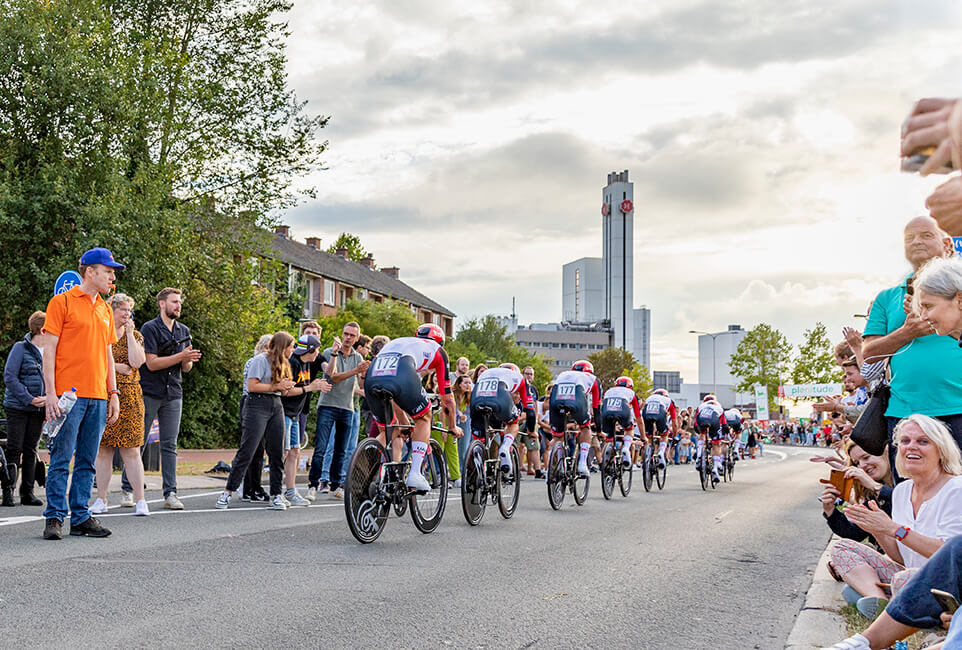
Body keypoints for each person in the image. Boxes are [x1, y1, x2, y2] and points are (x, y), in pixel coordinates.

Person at [827, 415, 962, 620]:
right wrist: (877, 529)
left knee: (903, 579)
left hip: (948, 582)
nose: (911, 447)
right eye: (905, 442)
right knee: (841, 548)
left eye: (923, 441)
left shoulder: (956, 489)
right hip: (910, 575)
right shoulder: (902, 491)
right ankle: (878, 600)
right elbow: (901, 558)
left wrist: (893, 529)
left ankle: (884, 601)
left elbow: (949, 555)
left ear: (941, 450)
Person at [861, 216, 962, 481]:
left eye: (926, 235)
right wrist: (908, 331)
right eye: (909, 238)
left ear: (947, 243)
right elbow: (868, 353)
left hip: (958, 408)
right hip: (906, 414)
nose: (917, 241)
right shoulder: (886, 298)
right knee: (910, 493)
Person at [40, 247, 124, 539]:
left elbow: (108, 353)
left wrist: (113, 392)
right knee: (61, 457)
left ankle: (80, 516)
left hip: (99, 396)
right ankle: (53, 517)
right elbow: (48, 350)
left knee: (88, 459)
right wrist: (51, 393)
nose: (112, 277)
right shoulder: (61, 302)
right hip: (69, 396)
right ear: (90, 271)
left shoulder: (104, 308)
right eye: (108, 271)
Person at [121, 287, 201, 510]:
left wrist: (188, 359)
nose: (178, 306)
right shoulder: (150, 328)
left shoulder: (183, 330)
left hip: (173, 392)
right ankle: (128, 489)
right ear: (162, 304)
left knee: (170, 444)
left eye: (179, 302)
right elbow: (152, 362)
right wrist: (181, 356)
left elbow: (186, 367)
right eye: (174, 302)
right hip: (149, 391)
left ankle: (170, 492)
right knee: (139, 440)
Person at [363, 323, 462, 492]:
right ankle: (415, 473)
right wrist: (452, 426)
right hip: (401, 373)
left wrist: (402, 421)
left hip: (373, 376)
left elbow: (394, 395)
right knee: (424, 416)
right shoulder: (437, 351)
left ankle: (360, 469)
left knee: (390, 431)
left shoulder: (402, 343)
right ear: (440, 342)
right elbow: (447, 399)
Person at [216, 331, 296, 510]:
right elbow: (252, 386)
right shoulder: (260, 360)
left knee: (277, 452)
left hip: (276, 404)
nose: (293, 350)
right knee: (248, 450)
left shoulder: (284, 364)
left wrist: (286, 387)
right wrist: (276, 386)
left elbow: (283, 391)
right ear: (283, 347)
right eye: (291, 347)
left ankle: (276, 494)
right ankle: (228, 492)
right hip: (256, 404)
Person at [89, 294, 149, 516]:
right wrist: (114, 367)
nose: (126, 314)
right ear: (112, 310)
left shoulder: (137, 335)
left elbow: (137, 362)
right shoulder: (101, 333)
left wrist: (131, 334)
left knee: (131, 450)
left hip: (131, 396)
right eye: (123, 309)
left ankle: (141, 500)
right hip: (104, 393)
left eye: (129, 310)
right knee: (103, 450)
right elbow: (93, 360)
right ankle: (101, 499)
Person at [307, 321, 370, 500]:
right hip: (328, 405)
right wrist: (337, 355)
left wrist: (364, 373)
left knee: (342, 450)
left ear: (357, 338)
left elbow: (360, 385)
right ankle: (313, 484)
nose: (348, 338)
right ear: (342, 334)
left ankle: (337, 484)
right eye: (346, 334)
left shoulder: (358, 357)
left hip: (347, 407)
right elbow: (332, 376)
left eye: (352, 335)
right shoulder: (330, 352)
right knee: (321, 447)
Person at [2, 310, 48, 506]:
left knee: (31, 449)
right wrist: (29, 398)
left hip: (39, 408)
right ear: (42, 330)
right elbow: (10, 377)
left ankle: (27, 492)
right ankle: (8, 491)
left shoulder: (51, 351)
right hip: (18, 407)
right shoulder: (20, 348)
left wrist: (49, 398)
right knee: (14, 448)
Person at [279, 334, 330, 506]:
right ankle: (277, 492)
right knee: (283, 453)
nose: (318, 353)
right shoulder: (292, 363)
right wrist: (310, 387)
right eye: (316, 349)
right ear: (310, 350)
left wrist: (315, 385)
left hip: (296, 414)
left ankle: (291, 491)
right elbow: (285, 392)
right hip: (285, 412)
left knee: (295, 451)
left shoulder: (306, 363)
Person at [820, 441, 895, 546]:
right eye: (857, 463)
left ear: (885, 453)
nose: (862, 466)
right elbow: (855, 533)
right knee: (840, 548)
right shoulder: (870, 493)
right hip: (888, 556)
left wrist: (875, 486)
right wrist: (830, 511)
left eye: (866, 457)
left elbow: (909, 503)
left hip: (914, 555)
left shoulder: (906, 479)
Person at [469, 362, 534, 472]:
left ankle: (476, 468)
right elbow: (530, 411)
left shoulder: (488, 373)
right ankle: (505, 447)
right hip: (499, 401)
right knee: (513, 423)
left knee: (480, 440)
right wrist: (532, 431)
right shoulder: (520, 379)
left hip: (476, 400)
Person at [547, 360, 601, 477]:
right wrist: (599, 429)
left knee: (557, 436)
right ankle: (582, 464)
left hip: (556, 399)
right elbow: (596, 408)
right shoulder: (592, 379)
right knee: (585, 428)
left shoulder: (564, 375)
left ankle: (551, 469)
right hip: (576, 399)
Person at [241, 334, 273, 502]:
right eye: (267, 347)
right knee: (253, 449)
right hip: (252, 403)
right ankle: (252, 488)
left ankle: (251, 487)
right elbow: (252, 386)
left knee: (257, 450)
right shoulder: (256, 362)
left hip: (260, 403)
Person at [600, 377, 641, 468]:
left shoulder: (609, 391)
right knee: (629, 429)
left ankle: (603, 461)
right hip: (623, 409)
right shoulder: (631, 393)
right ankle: (626, 447)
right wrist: (643, 436)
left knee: (609, 438)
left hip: (606, 410)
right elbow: (638, 418)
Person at [694, 395, 727, 483]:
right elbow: (723, 424)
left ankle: (699, 455)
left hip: (701, 418)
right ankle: (715, 468)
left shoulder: (701, 406)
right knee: (716, 444)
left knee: (702, 433)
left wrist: (697, 428)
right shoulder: (719, 406)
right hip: (714, 420)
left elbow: (696, 420)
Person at [643, 388, 678, 469]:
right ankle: (661, 452)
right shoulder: (668, 401)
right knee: (664, 435)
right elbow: (674, 422)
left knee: (649, 436)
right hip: (660, 413)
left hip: (646, 413)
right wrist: (675, 435)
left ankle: (647, 455)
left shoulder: (649, 398)